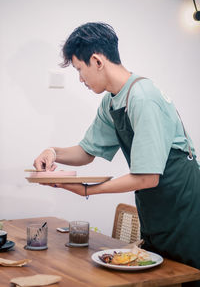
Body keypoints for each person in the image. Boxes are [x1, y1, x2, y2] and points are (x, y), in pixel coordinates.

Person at [34, 22, 200, 285]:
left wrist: (88, 190)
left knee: (186, 276)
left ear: (97, 61)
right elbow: (86, 152)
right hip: (156, 206)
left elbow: (147, 178)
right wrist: (53, 152)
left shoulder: (142, 96)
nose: (80, 79)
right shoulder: (112, 100)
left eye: (80, 69)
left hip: (184, 204)